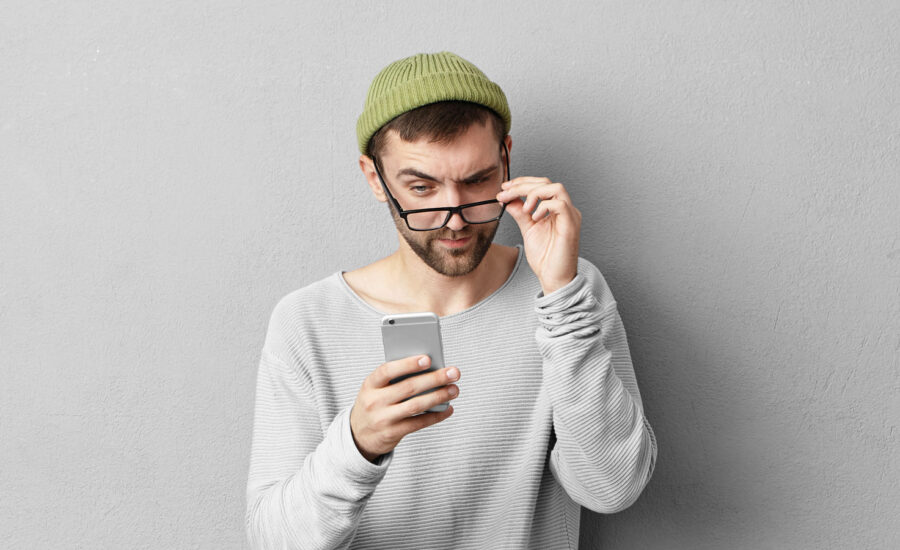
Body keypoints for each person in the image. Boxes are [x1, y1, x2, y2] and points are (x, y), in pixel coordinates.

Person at [245, 51, 657, 550]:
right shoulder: (306, 322)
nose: (455, 218)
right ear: (376, 178)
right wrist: (357, 445)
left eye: (477, 181)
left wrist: (561, 296)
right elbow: (270, 540)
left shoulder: (567, 291)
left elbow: (612, 488)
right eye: (422, 187)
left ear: (506, 156)